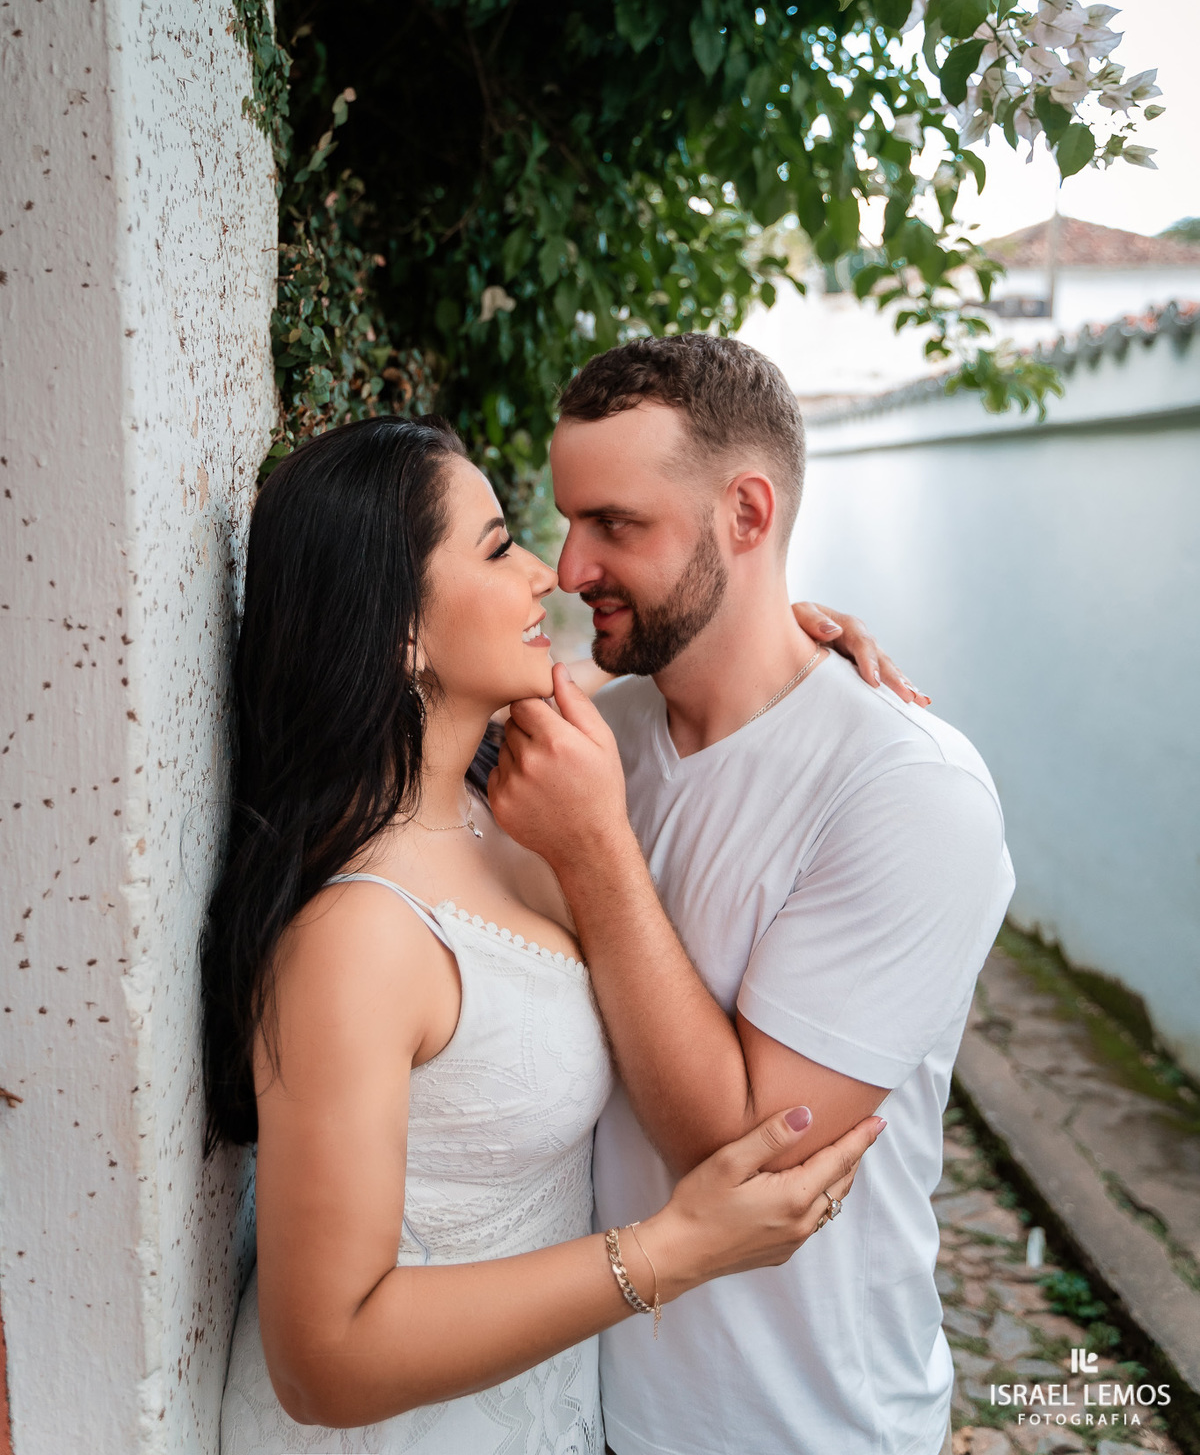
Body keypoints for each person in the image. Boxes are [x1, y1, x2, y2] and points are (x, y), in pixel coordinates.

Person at [203, 415, 886, 1455]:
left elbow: (661, 682)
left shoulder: (500, 793)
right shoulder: (359, 937)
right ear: (400, 632)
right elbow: (321, 1360)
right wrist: (670, 1252)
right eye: (497, 549)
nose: (547, 575)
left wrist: (775, 644)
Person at [488, 335, 1016, 1455]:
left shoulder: (907, 790)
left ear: (746, 513)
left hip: (806, 1427)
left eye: (615, 524)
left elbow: (757, 1159)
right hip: (588, 1406)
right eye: (569, 520)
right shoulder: (595, 739)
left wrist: (598, 855)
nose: (570, 567)